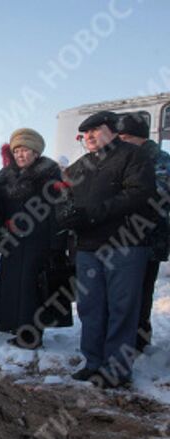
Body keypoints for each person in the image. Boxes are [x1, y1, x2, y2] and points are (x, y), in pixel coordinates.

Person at [60, 111, 155, 388]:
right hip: (88, 247)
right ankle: (92, 362)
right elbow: (64, 196)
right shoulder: (80, 166)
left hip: (124, 245)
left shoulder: (133, 157)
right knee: (91, 308)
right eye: (85, 132)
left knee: (121, 308)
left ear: (112, 130)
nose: (88, 136)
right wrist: (66, 214)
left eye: (95, 130)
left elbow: (138, 194)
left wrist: (93, 213)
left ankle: (117, 368)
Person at [0, 128, 68, 349]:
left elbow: (57, 210)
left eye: (25, 150)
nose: (20, 155)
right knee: (11, 283)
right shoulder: (5, 175)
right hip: (12, 239)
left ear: (35, 152)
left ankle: (31, 334)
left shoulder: (49, 174)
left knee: (33, 288)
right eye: (17, 151)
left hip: (38, 240)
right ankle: (11, 321)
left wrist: (56, 244)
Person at [117, 113, 170, 352]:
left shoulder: (159, 159)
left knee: (141, 289)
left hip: (149, 237)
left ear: (136, 137)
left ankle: (138, 337)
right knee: (125, 290)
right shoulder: (127, 159)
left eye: (124, 137)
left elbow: (157, 194)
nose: (120, 142)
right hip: (124, 238)